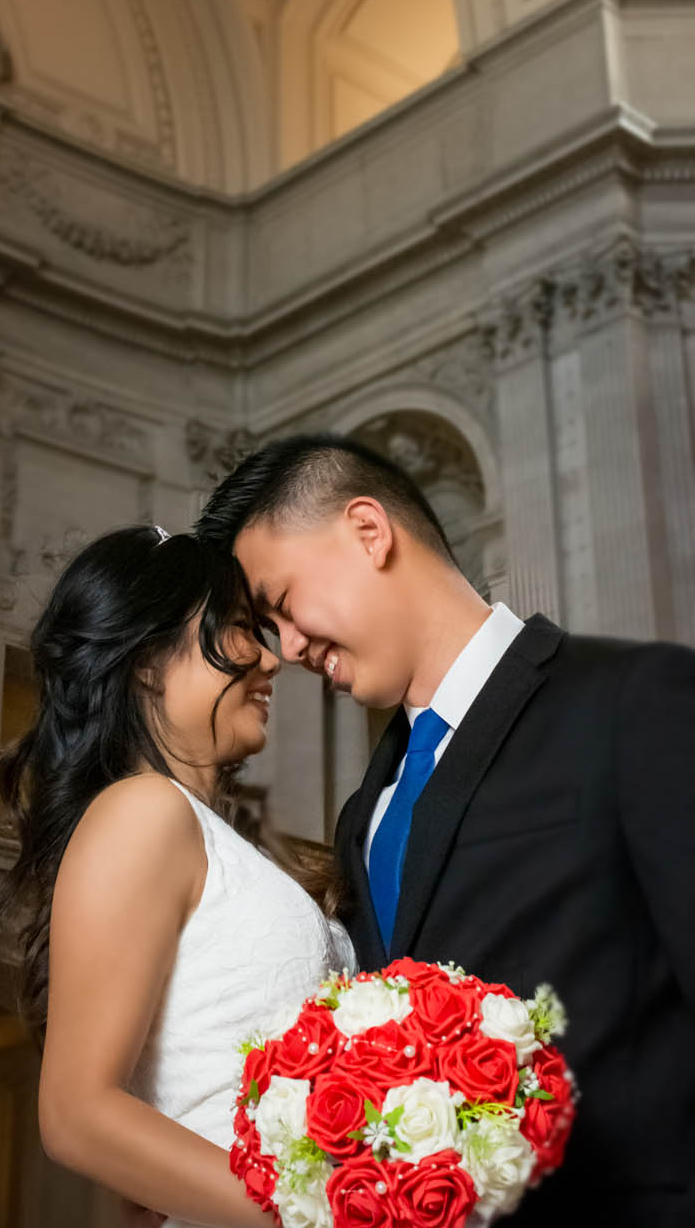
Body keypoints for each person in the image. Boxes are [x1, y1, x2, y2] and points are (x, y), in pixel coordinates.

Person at [195, 433, 695, 1228]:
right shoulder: (365, 815)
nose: (285, 649)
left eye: (282, 605)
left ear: (369, 530)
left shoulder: (636, 701)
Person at [0, 525, 353, 1228]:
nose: (269, 660)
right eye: (239, 628)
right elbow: (77, 1114)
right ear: (148, 660)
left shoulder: (196, 832)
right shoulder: (142, 812)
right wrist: (323, 1217)